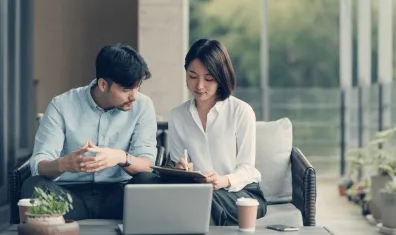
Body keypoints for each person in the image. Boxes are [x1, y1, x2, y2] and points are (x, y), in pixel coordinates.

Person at [21, 44, 159, 220]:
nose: (134, 96)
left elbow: (147, 164)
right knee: (33, 185)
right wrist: (64, 164)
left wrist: (120, 157)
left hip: (119, 196)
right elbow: (38, 165)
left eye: (137, 87)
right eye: (126, 90)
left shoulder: (143, 105)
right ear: (103, 84)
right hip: (70, 198)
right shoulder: (61, 105)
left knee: (149, 181)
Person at [168, 39, 267, 226]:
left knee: (204, 201)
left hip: (242, 193)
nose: (199, 86)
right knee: (195, 199)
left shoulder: (241, 111)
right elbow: (178, 164)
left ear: (221, 77)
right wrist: (179, 170)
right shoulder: (177, 115)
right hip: (197, 193)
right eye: (192, 76)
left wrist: (223, 180)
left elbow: (247, 168)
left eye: (209, 78)